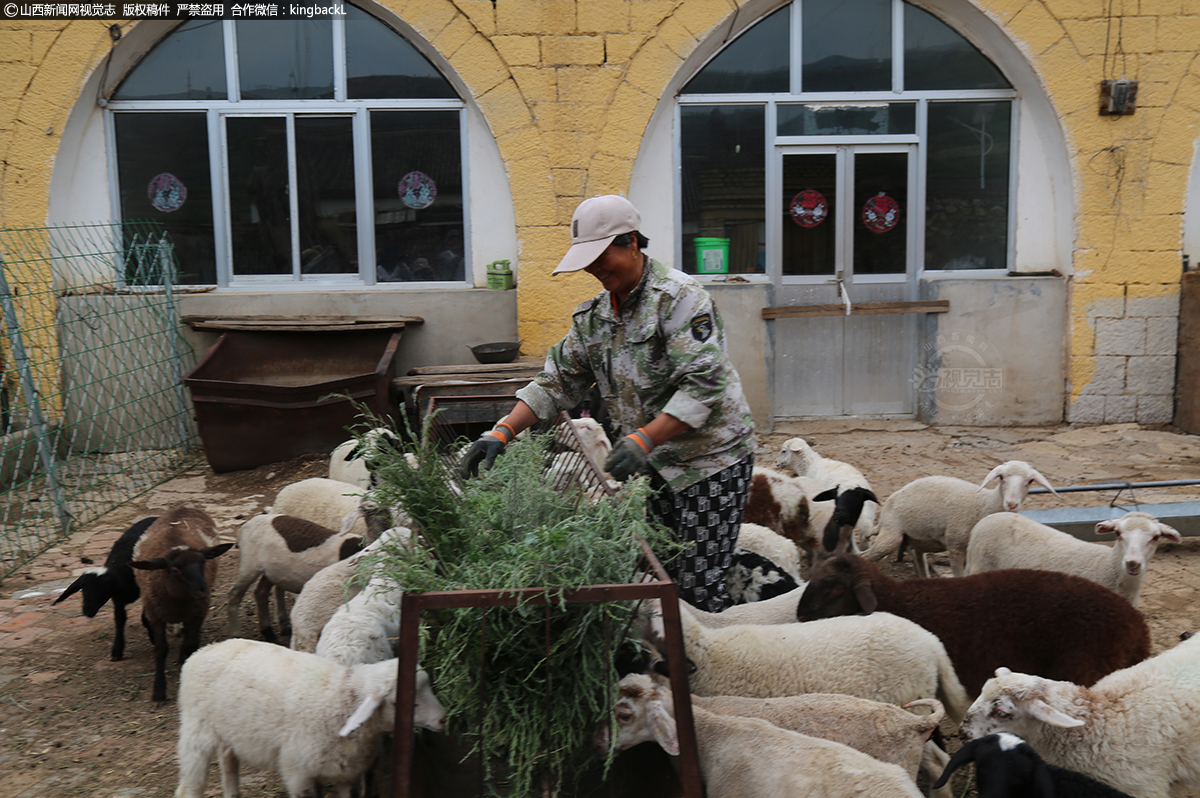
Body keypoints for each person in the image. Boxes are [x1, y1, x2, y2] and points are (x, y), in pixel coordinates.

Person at [460, 195, 756, 612]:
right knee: (655, 573)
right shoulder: (594, 318)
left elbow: (703, 385)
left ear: (632, 242)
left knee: (697, 588)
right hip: (649, 463)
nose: (596, 269)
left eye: (603, 257)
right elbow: (556, 381)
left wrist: (644, 439)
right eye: (589, 260)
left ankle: (711, 666)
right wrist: (502, 431)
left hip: (709, 462)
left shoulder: (680, 299)